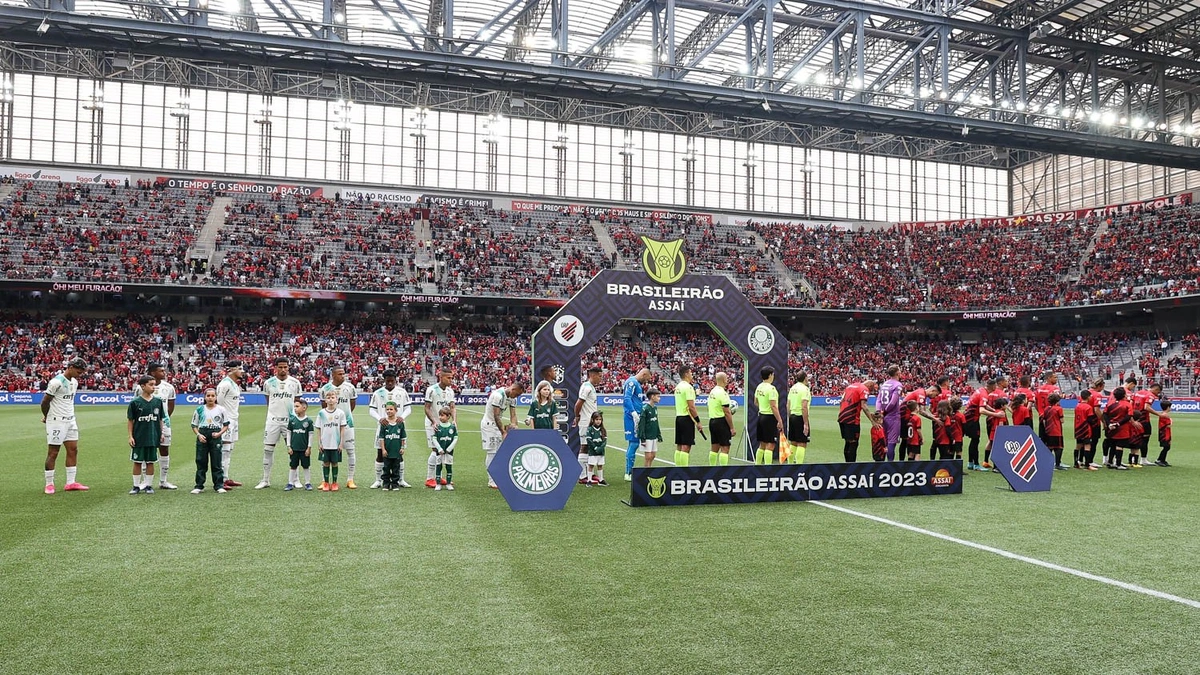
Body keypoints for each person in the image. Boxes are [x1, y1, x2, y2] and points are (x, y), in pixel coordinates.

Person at [40, 357, 89, 494]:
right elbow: (45, 402)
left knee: (73, 449)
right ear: (71, 367)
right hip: (56, 421)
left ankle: (70, 482)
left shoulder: (74, 382)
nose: (80, 375)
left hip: (71, 420)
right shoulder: (56, 382)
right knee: (53, 452)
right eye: (78, 372)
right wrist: (47, 416)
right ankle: (49, 484)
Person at [257, 357, 304, 489]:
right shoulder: (268, 383)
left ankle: (295, 479)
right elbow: (268, 401)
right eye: (280, 367)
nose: (283, 369)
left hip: (290, 421)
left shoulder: (295, 383)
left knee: (294, 450)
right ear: (276, 368)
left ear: (288, 367)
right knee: (268, 449)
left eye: (285, 367)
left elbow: (297, 403)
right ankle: (265, 479)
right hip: (272, 420)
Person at [369, 369, 412, 489]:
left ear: (395, 380)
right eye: (387, 381)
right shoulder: (378, 393)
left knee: (399, 454)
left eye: (392, 381)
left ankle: (401, 480)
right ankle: (378, 480)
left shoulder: (402, 392)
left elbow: (408, 408)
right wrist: (379, 418)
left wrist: (402, 417)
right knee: (380, 453)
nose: (389, 383)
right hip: (383, 428)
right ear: (384, 380)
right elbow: (371, 409)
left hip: (397, 428)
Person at [319, 365, 358, 488]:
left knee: (350, 451)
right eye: (340, 374)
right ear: (333, 375)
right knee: (326, 452)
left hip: (347, 424)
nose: (343, 376)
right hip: (330, 426)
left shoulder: (350, 387)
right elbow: (323, 407)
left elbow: (352, 405)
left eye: (343, 373)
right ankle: (324, 480)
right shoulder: (325, 388)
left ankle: (350, 479)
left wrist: (343, 418)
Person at [482, 382, 524, 488]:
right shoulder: (498, 395)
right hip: (489, 425)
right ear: (513, 389)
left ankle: (497, 477)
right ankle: (491, 480)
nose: (517, 397)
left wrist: (515, 427)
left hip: (497, 425)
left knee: (499, 452)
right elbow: (496, 415)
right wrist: (503, 432)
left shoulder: (512, 398)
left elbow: (513, 414)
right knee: (492, 452)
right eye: (517, 394)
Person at [127, 375, 164, 495]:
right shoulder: (135, 403)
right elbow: (130, 420)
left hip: (153, 437)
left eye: (154, 385)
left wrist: (161, 433)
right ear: (143, 386)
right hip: (139, 437)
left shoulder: (158, 402)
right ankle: (136, 486)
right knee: (137, 462)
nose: (154, 387)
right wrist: (130, 436)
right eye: (151, 385)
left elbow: (160, 419)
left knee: (150, 461)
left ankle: (149, 485)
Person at [190, 387, 231, 494]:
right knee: (201, 461)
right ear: (204, 397)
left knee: (216, 461)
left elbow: (226, 425)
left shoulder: (221, 409)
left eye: (213, 396)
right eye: (208, 396)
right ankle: (199, 485)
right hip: (203, 434)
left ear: (216, 397)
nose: (210, 398)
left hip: (215, 435)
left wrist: (219, 433)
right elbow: (194, 425)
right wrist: (199, 435)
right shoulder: (199, 409)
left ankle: (218, 485)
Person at [423, 369, 457, 488]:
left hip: (445, 426)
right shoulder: (431, 390)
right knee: (436, 450)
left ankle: (438, 477)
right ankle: (429, 478)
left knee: (443, 449)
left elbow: (452, 407)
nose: (451, 380)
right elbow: (427, 408)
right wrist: (434, 421)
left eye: (452, 378)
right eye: (448, 378)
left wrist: (454, 421)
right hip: (433, 424)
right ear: (441, 377)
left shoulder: (450, 391)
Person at [147, 362, 178, 490]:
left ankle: (163, 481)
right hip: (147, 423)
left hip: (164, 424)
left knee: (164, 449)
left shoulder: (169, 387)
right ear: (153, 373)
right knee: (147, 450)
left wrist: (165, 418)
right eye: (161, 371)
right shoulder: (142, 387)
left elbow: (171, 405)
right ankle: (146, 481)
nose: (164, 373)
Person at [215, 360, 245, 489]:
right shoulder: (225, 384)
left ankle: (226, 477)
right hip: (226, 421)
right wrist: (224, 421)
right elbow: (219, 403)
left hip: (234, 419)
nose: (242, 371)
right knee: (224, 451)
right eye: (240, 369)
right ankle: (220, 480)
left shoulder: (234, 384)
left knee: (229, 450)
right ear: (232, 370)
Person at [838, 379, 878, 462]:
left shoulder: (850, 386)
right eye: (872, 390)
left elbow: (841, 401)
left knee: (848, 442)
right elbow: (864, 406)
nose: (870, 392)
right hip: (852, 419)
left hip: (842, 417)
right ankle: (852, 466)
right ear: (870, 385)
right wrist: (872, 421)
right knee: (854, 442)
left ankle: (847, 464)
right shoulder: (864, 389)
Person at [575, 365, 603, 483]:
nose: (601, 379)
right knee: (584, 447)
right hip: (585, 422)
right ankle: (582, 476)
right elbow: (578, 404)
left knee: (589, 447)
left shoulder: (590, 387)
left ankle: (588, 473)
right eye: (599, 376)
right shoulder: (586, 387)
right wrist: (577, 416)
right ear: (592, 375)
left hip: (590, 422)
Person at [622, 368, 651, 481]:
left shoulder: (637, 384)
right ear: (643, 374)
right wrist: (634, 413)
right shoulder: (631, 382)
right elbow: (627, 398)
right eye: (647, 379)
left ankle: (637, 471)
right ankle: (628, 472)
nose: (646, 382)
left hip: (638, 417)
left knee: (639, 443)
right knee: (633, 443)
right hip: (632, 418)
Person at [318, 390, 348, 490]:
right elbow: (319, 428)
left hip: (335, 444)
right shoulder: (321, 413)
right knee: (325, 462)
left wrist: (341, 443)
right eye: (328, 398)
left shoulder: (340, 413)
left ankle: (334, 483)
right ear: (325, 400)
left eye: (333, 398)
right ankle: (326, 483)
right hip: (325, 443)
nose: (331, 400)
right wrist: (319, 443)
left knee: (335, 463)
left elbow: (342, 428)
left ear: (337, 400)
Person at [753, 367, 783, 465]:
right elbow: (773, 406)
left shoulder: (759, 386)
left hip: (761, 416)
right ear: (770, 375)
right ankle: (767, 468)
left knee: (762, 444)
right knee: (770, 445)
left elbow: (755, 402)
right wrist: (779, 420)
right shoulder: (771, 389)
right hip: (769, 418)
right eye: (773, 374)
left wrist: (763, 407)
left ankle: (757, 465)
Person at [285, 398, 315, 491]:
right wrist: (289, 446)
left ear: (304, 408)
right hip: (294, 448)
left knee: (306, 466)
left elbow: (310, 435)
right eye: (294, 406)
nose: (295, 408)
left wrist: (309, 447)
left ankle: (307, 483)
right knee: (293, 466)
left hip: (304, 448)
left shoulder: (309, 421)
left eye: (297, 406)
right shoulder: (292, 420)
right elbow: (289, 433)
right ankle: (290, 483)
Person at [672, 366, 700, 467]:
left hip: (679, 417)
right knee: (686, 446)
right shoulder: (688, 387)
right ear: (686, 374)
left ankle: (677, 468)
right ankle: (684, 471)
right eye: (691, 373)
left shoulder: (678, 386)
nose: (692, 375)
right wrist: (698, 421)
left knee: (679, 445)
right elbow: (691, 407)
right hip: (686, 418)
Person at [963, 380, 992, 471]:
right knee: (975, 440)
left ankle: (970, 463)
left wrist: (993, 410)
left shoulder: (981, 390)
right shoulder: (984, 394)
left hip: (968, 417)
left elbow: (984, 405)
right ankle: (976, 464)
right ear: (992, 386)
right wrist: (995, 414)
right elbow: (982, 410)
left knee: (974, 440)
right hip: (972, 419)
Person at [707, 372, 735, 466]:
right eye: (726, 378)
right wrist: (731, 427)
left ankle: (712, 468)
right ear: (724, 380)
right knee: (725, 448)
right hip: (721, 422)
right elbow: (727, 412)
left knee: (714, 447)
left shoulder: (712, 391)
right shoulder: (723, 393)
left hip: (712, 421)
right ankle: (723, 471)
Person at [1102, 386, 1133, 470]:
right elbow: (1128, 416)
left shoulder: (1109, 403)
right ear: (1123, 395)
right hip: (1122, 428)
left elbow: (1104, 414)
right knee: (1120, 446)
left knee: (1112, 445)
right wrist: (1118, 424)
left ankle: (1110, 462)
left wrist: (1109, 424)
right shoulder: (1127, 404)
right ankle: (1118, 464)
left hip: (1111, 428)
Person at [379, 402, 407, 491]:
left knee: (396, 468)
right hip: (387, 451)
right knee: (386, 468)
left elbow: (403, 437)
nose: (389, 411)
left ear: (396, 410)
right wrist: (383, 449)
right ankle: (386, 484)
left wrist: (402, 448)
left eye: (391, 409)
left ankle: (395, 484)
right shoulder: (384, 423)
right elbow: (382, 438)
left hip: (396, 451)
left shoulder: (400, 423)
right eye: (387, 409)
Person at [877, 365, 903, 462]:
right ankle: (890, 464)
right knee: (892, 442)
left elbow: (878, 400)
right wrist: (886, 411)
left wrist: (879, 412)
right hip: (893, 416)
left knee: (885, 441)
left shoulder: (884, 384)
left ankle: (881, 463)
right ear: (897, 373)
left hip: (883, 417)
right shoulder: (898, 385)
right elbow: (893, 402)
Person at [785, 371, 811, 464]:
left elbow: (788, 404)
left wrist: (789, 417)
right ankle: (799, 466)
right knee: (802, 443)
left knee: (793, 442)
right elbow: (804, 406)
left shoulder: (793, 388)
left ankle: (790, 464)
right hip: (800, 417)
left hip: (792, 416)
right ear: (805, 378)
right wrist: (806, 423)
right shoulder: (805, 389)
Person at [431, 407, 457, 491]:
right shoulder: (437, 426)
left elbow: (456, 438)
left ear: (448, 416)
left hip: (449, 452)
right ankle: (438, 484)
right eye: (440, 415)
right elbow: (434, 438)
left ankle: (448, 483)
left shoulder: (452, 427)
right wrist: (439, 448)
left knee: (448, 467)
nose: (440, 417)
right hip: (440, 452)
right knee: (438, 466)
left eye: (442, 415)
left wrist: (449, 448)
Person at [637, 388, 663, 467]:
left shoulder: (655, 408)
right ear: (652, 397)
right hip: (647, 436)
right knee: (648, 457)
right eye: (658, 396)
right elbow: (641, 424)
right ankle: (646, 473)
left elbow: (656, 422)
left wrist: (658, 434)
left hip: (653, 435)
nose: (659, 398)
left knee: (653, 455)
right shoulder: (645, 408)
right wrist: (642, 438)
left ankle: (649, 469)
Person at [1073, 390, 1097, 471]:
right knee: (1087, 445)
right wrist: (1094, 425)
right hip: (1085, 428)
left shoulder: (1077, 406)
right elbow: (1090, 419)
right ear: (1088, 397)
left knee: (1078, 445)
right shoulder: (1088, 407)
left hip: (1077, 428)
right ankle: (1087, 465)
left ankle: (1076, 463)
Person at [585, 411, 608, 486]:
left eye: (600, 419)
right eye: (597, 419)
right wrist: (595, 447)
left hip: (600, 452)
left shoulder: (603, 430)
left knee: (600, 465)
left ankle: (601, 480)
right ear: (593, 420)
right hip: (592, 452)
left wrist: (601, 448)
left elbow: (604, 441)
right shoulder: (590, 429)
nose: (598, 421)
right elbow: (589, 440)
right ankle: (589, 480)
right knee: (591, 465)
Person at [1044, 393, 1066, 470]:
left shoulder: (1046, 409)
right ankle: (1057, 464)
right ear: (1057, 401)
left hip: (1048, 431)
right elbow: (1062, 420)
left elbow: (1044, 420)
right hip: (1057, 431)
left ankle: (1047, 463)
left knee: (1049, 447)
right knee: (1059, 447)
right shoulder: (1058, 408)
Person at [1155, 399, 1173, 467]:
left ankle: (1163, 460)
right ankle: (1159, 459)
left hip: (1165, 433)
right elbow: (1168, 425)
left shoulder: (1163, 414)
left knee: (1167, 447)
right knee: (1166, 447)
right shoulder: (1165, 415)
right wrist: (1171, 421)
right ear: (1168, 407)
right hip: (1164, 434)